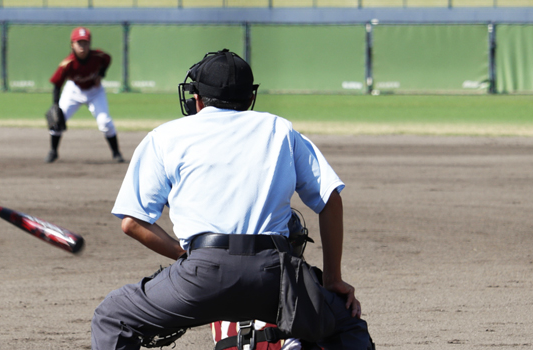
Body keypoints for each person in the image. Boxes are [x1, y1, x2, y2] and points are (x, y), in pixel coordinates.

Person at [91, 49, 373, 350]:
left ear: (196, 98)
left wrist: (183, 255)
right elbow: (329, 199)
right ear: (250, 98)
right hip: (275, 276)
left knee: (112, 316)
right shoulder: (280, 130)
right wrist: (332, 279)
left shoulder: (166, 136)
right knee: (346, 324)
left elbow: (132, 223)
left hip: (199, 275)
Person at [43, 26, 123, 164]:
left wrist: (101, 74)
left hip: (95, 91)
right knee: (57, 121)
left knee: (105, 122)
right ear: (72, 45)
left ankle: (116, 153)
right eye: (79, 42)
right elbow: (57, 84)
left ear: (90, 44)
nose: (82, 46)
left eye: (85, 43)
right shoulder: (67, 63)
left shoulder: (98, 56)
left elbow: (107, 60)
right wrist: (56, 105)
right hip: (74, 91)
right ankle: (53, 151)